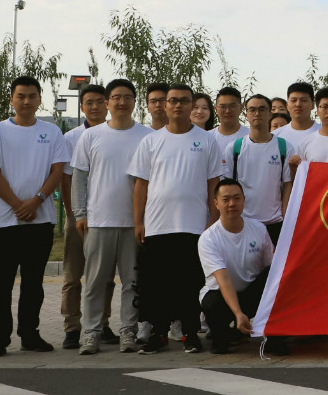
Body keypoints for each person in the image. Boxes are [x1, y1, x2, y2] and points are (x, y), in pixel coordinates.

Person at [0, 76, 69, 357]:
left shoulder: (52, 132)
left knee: (33, 283)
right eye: (21, 96)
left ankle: (30, 334)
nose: (26, 101)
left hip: (41, 220)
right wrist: (18, 205)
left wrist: (37, 200)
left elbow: (57, 171)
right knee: (1, 283)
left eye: (32, 96)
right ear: (12, 99)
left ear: (39, 99)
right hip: (6, 222)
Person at [130, 84, 220, 354]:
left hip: (194, 226)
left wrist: (213, 220)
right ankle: (158, 334)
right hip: (158, 225)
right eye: (173, 101)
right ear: (165, 106)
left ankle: (190, 333)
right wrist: (138, 222)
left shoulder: (207, 140)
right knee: (157, 283)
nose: (178, 105)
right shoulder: (151, 141)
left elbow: (213, 184)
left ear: (192, 105)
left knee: (190, 283)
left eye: (184, 100)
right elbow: (141, 185)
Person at [70, 78, 148, 353]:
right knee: (95, 283)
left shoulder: (148, 136)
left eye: (127, 97)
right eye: (116, 97)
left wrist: (144, 220)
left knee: (132, 283)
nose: (122, 102)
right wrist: (80, 213)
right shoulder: (91, 136)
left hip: (134, 224)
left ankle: (128, 331)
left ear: (134, 102)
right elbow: (79, 178)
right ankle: (91, 332)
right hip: (98, 222)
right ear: (108, 102)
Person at [58, 83, 115, 349]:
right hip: (79, 216)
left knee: (105, 275)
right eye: (89, 102)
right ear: (82, 107)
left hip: (107, 217)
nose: (95, 107)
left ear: (107, 104)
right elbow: (67, 180)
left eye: (99, 101)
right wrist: (73, 214)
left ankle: (102, 323)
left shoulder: (115, 134)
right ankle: (72, 327)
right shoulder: (72, 137)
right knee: (73, 275)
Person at [197, 179, 278, 355]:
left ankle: (274, 337)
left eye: (237, 198)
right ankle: (223, 334)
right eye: (226, 199)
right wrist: (238, 313)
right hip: (221, 296)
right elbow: (223, 279)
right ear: (216, 204)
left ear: (243, 200)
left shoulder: (259, 229)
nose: (232, 204)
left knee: (275, 277)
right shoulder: (208, 238)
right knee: (212, 306)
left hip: (250, 294)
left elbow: (272, 270)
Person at [221, 93, 293, 244]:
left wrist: (286, 218)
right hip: (243, 222)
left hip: (275, 222)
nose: (257, 113)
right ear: (246, 114)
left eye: (262, 109)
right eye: (252, 110)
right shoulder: (234, 148)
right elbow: (226, 187)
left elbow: (287, 185)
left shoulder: (284, 147)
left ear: (270, 113)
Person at [274, 81, 319, 156]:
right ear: (287, 106)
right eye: (293, 100)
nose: (298, 104)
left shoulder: (325, 134)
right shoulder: (275, 136)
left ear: (312, 105)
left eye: (303, 100)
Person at [212, 87, 249, 152]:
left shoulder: (250, 136)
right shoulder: (208, 137)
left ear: (241, 108)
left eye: (232, 106)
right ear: (216, 109)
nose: (227, 111)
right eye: (223, 106)